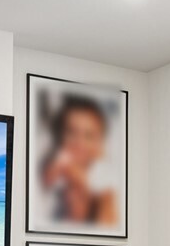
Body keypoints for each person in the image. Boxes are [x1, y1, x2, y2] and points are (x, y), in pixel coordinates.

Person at [39, 95, 119, 228]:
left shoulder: (105, 184)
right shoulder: (55, 165)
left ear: (100, 144)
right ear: (61, 136)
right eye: (71, 132)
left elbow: (107, 222)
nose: (79, 143)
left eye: (89, 136)